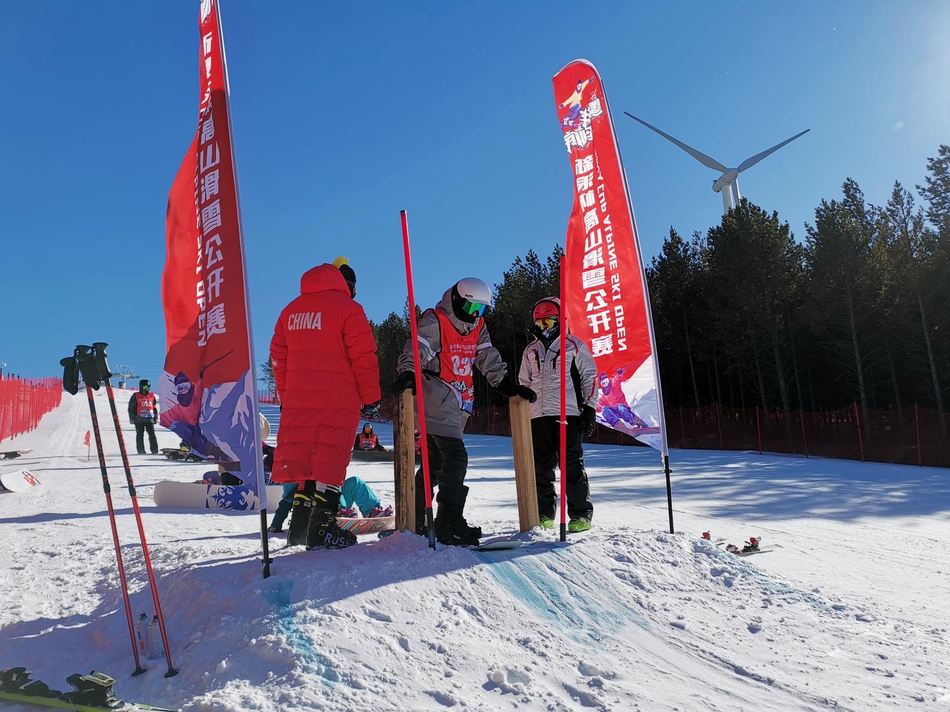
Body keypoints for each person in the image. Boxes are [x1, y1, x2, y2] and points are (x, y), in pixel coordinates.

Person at [393, 277, 535, 546]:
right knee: (456, 458)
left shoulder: (477, 326)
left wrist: (504, 384)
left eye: (481, 311)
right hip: (435, 396)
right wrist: (409, 371)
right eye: (471, 309)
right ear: (457, 301)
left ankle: (416, 519)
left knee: (435, 463)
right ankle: (448, 523)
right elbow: (417, 347)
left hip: (458, 404)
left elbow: (486, 355)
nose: (474, 316)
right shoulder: (436, 321)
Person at [270, 256, 381, 550]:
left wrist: (286, 394)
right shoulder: (348, 309)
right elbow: (363, 357)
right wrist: (371, 397)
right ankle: (322, 531)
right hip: (338, 400)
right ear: (348, 285)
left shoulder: (290, 311)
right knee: (330, 460)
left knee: (307, 463)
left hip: (298, 402)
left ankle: (299, 529)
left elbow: (278, 358)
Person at [518, 297, 599, 532]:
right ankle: (544, 514)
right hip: (537, 416)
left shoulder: (573, 345)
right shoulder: (530, 350)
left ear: (560, 320)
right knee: (541, 468)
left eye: (550, 322)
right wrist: (524, 409)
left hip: (568, 413)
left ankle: (580, 514)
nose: (546, 327)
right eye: (541, 323)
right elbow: (523, 382)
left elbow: (589, 377)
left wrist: (589, 408)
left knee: (571, 464)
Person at [268, 476, 393, 533]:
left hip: (333, 495)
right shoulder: (295, 476)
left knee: (354, 482)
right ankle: (340, 511)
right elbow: (286, 502)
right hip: (316, 508)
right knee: (328, 479)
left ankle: (372, 511)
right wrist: (276, 525)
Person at [127, 379, 159, 455]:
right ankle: (141, 450)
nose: (146, 388)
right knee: (140, 435)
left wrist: (156, 417)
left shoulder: (152, 395)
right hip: (139, 419)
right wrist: (132, 418)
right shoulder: (136, 396)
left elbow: (154, 407)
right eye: (145, 386)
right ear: (141, 386)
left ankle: (154, 450)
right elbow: (131, 407)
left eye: (148, 386)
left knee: (152, 434)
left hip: (149, 418)